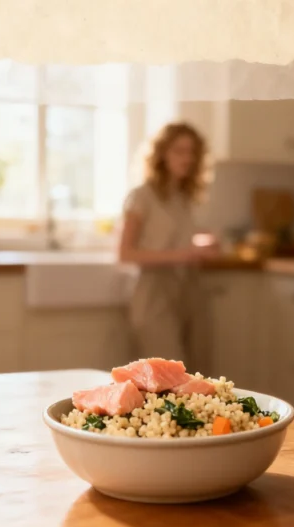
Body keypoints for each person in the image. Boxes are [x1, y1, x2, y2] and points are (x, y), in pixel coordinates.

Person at [118, 122, 217, 372]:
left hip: (187, 290)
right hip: (153, 295)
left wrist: (204, 244)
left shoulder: (183, 198)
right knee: (167, 375)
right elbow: (125, 253)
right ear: (162, 154)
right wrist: (184, 254)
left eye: (192, 152)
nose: (187, 159)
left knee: (195, 375)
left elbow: (177, 238)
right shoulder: (142, 196)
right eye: (179, 151)